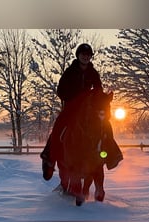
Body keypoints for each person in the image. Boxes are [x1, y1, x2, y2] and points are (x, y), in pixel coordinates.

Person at [41, 43, 123, 182]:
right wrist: (74, 96)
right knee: (59, 126)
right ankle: (49, 158)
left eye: (88, 55)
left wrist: (100, 98)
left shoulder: (93, 73)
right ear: (78, 56)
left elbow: (98, 91)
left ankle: (111, 154)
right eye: (83, 54)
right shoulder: (70, 71)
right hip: (72, 107)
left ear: (90, 57)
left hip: (89, 108)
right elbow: (60, 90)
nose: (85, 57)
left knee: (106, 125)